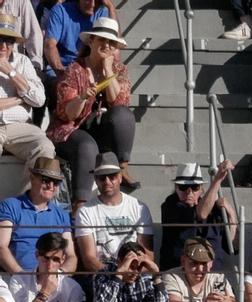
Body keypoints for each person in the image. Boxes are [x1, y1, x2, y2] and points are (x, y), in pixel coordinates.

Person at [48, 16, 135, 203]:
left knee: (124, 114)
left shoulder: (120, 70)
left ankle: (123, 167)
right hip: (70, 130)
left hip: (101, 129)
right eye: (102, 40)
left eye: (111, 42)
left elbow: (120, 104)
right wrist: (82, 97)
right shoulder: (75, 69)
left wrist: (107, 69)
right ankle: (80, 205)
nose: (107, 45)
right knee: (87, 146)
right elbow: (67, 114)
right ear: (91, 41)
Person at [72, 151, 150, 281]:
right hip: (104, 276)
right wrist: (118, 275)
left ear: (120, 177)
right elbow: (89, 260)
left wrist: (130, 273)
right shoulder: (85, 211)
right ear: (95, 180)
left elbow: (148, 255)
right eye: (102, 177)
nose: (107, 181)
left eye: (112, 176)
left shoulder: (139, 208)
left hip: (135, 273)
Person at [0, 156, 73, 280]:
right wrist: (23, 277)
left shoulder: (62, 214)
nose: (51, 185)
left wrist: (58, 276)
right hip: (17, 278)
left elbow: (71, 256)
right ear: (32, 178)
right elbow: (1, 246)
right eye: (46, 180)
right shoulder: (10, 206)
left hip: (53, 279)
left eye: (56, 182)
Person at [156, 161, 236, 272]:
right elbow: (201, 214)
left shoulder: (215, 209)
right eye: (183, 187)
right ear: (176, 187)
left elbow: (232, 246)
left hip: (211, 276)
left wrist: (231, 214)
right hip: (179, 275)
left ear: (201, 188)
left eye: (194, 187)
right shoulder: (170, 207)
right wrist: (217, 180)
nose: (189, 192)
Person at [0, 16, 51, 168]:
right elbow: (30, 98)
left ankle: (30, 192)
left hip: (21, 127)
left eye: (8, 40)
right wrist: (20, 98)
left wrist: (11, 72)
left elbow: (39, 99)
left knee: (45, 147)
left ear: (13, 44)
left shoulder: (23, 62)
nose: (3, 46)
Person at [163, 237, 238, 302]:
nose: (200, 269)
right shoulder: (172, 276)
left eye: (204, 263)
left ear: (211, 263)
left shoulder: (218, 279)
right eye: (194, 263)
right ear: (183, 261)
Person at [10, 231, 84, 302]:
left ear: (63, 259)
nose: (49, 265)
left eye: (55, 259)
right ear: (37, 256)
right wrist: (44, 294)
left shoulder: (72, 287)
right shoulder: (19, 280)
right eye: (46, 259)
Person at [91, 239, 167, 302]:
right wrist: (119, 274)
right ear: (118, 261)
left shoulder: (145, 278)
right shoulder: (103, 274)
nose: (135, 273)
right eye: (131, 267)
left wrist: (156, 274)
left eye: (139, 268)